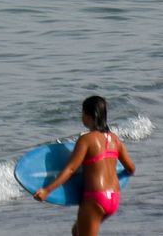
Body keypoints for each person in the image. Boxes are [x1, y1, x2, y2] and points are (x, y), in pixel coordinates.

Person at [32, 96, 135, 235]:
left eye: (82, 113)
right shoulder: (116, 140)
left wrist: (47, 190)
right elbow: (131, 169)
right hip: (114, 198)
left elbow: (71, 169)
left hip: (95, 198)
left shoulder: (86, 139)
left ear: (88, 115)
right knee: (76, 231)